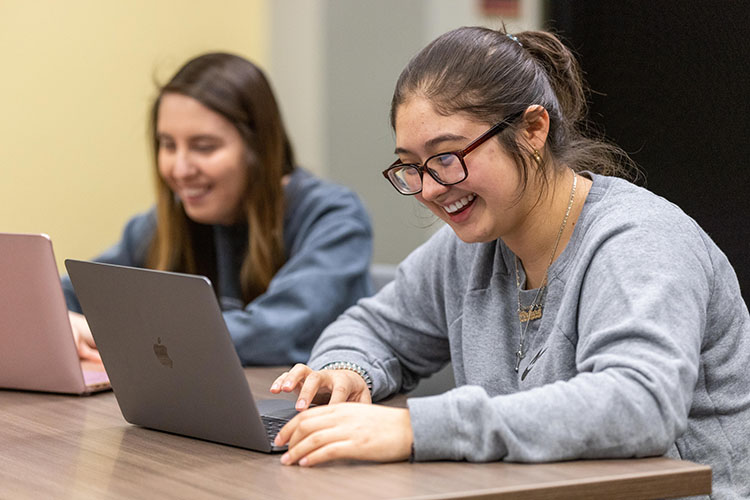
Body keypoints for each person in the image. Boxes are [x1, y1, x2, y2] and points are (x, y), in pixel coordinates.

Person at [269, 27, 749, 498]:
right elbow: (372, 327)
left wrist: (418, 430)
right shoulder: (470, 247)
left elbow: (638, 405)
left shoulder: (639, 241)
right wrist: (346, 369)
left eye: (447, 157)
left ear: (533, 129)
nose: (431, 188)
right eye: (411, 166)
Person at [62, 52, 373, 366]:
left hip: (311, 410)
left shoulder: (334, 217)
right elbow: (75, 294)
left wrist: (111, 333)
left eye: (204, 147)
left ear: (258, 148)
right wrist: (62, 320)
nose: (180, 169)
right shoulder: (167, 221)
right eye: (168, 145)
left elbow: (275, 331)